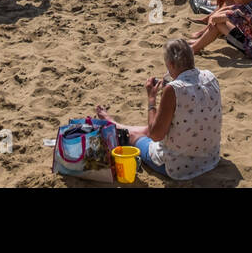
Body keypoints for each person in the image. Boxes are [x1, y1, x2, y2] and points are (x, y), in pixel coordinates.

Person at [94, 39, 221, 180]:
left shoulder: (174, 89)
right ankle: (117, 124)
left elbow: (156, 135)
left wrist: (151, 98)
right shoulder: (210, 77)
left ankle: (114, 125)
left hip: (180, 167)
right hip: (210, 158)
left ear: (171, 64)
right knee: (154, 127)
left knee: (137, 136)